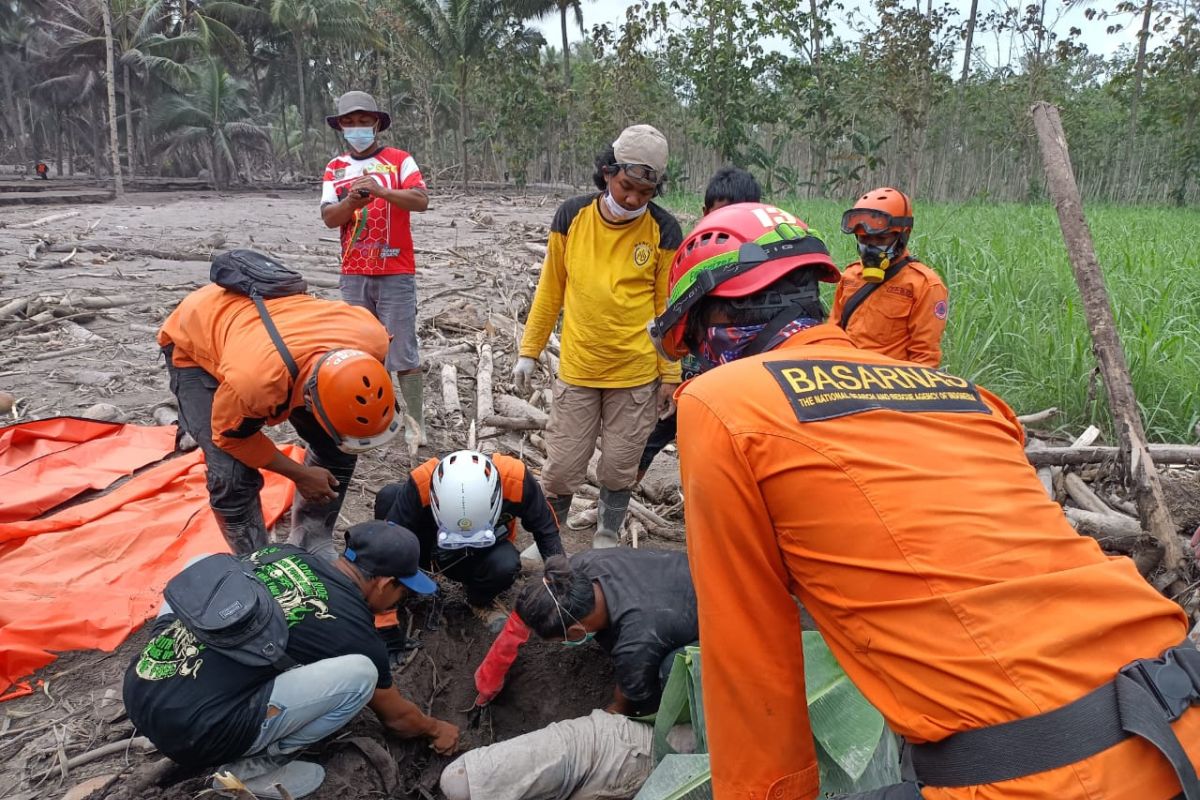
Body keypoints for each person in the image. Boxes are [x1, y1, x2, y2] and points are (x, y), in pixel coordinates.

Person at [652, 201, 1200, 799]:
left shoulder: (720, 402)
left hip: (1054, 771)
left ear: (716, 318)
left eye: (692, 348)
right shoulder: (971, 398)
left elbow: (747, 651)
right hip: (1180, 706)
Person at [123, 521, 460, 800]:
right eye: (403, 592)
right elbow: (398, 720)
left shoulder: (283, 553)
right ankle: (254, 768)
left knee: (202, 561)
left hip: (139, 685)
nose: (400, 601)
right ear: (385, 583)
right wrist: (435, 728)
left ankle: (165, 648)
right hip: (195, 737)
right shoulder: (356, 633)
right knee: (361, 675)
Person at [512, 124, 683, 548]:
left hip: (636, 370)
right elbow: (550, 290)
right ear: (608, 173)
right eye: (626, 186)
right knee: (564, 462)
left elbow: (666, 308)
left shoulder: (664, 231)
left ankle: (608, 531)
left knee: (621, 464)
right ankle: (548, 539)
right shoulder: (572, 217)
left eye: (645, 194)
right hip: (580, 366)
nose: (633, 199)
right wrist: (528, 352)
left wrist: (670, 374)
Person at [158, 283, 398, 558]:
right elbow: (230, 438)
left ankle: (312, 538)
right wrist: (301, 475)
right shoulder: (257, 383)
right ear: (308, 401)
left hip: (274, 332)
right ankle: (257, 560)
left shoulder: (373, 338)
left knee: (338, 442)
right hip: (198, 337)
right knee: (232, 473)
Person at [636, 166, 761, 485]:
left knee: (725, 461)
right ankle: (614, 511)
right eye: (721, 215)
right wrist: (668, 377)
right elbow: (667, 314)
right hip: (687, 377)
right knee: (645, 448)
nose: (728, 225)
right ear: (705, 212)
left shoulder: (766, 266)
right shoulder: (687, 257)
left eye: (738, 215)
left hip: (736, 385)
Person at [321, 91, 430, 450]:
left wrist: (382, 191)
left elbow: (421, 200)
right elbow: (328, 218)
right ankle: (374, 419)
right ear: (340, 127)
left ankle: (415, 425)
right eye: (349, 123)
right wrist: (351, 200)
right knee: (360, 349)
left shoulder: (400, 161)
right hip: (354, 272)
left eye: (364, 121)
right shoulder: (334, 169)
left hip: (396, 270)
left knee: (404, 353)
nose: (357, 128)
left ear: (377, 124)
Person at [374, 449, 565, 631]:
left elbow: (546, 531)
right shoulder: (422, 481)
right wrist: (383, 614)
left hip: (483, 555)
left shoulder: (515, 479)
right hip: (427, 547)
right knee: (389, 496)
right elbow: (388, 545)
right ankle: (401, 588)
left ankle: (479, 601)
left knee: (505, 564)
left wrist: (562, 587)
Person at [514, 549, 697, 717]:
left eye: (561, 639)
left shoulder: (635, 641)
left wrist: (619, 707)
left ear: (576, 631)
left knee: (671, 669)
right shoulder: (580, 565)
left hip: (718, 624)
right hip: (693, 570)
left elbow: (631, 695)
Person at [829, 186, 948, 367]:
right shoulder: (850, 276)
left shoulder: (924, 285)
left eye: (880, 239)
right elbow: (833, 333)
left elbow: (925, 357)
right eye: (864, 239)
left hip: (889, 384)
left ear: (903, 236)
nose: (870, 247)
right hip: (845, 377)